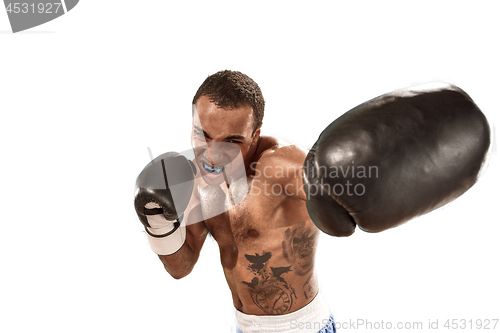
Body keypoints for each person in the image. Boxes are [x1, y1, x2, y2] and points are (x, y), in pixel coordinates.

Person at [134, 71, 490, 333]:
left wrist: (392, 168)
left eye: (231, 141)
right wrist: (160, 225)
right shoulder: (194, 179)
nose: (212, 153)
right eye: (202, 134)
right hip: (243, 327)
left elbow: (325, 178)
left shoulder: (277, 164)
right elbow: (180, 267)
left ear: (255, 135)